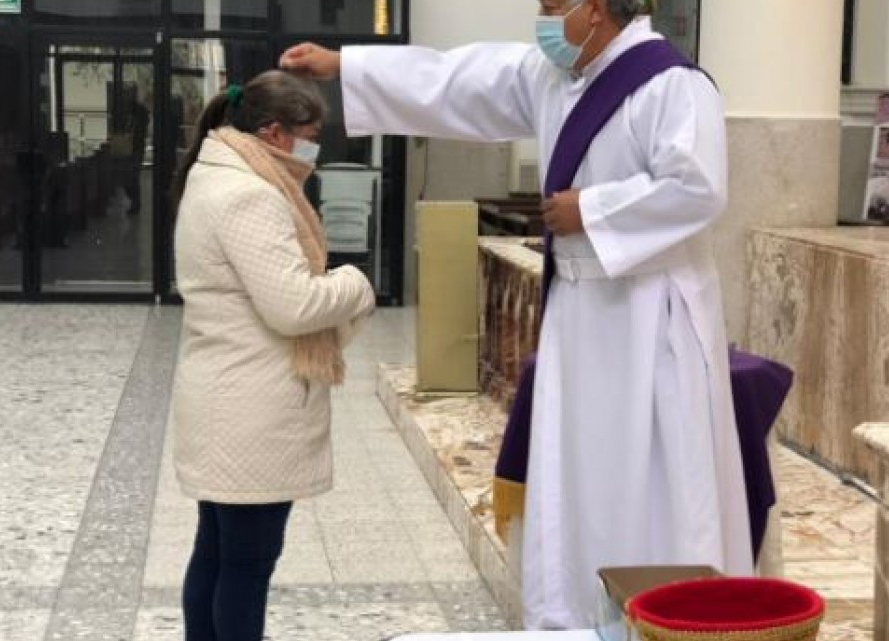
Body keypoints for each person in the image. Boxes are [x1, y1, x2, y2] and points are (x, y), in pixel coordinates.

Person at [282, 0, 753, 630]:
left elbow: (698, 186)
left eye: (554, 5)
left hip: (648, 318)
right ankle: (576, 615)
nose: (543, 17)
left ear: (596, 9)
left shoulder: (671, 83)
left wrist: (594, 208)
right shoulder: (553, 75)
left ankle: (665, 618)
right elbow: (455, 81)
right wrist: (344, 65)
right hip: (581, 311)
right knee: (579, 474)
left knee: (650, 478)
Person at [169, 70, 376, 641]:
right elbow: (293, 305)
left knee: (216, 551)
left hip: (225, 395)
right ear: (274, 133)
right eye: (309, 134)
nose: (314, 147)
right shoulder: (249, 195)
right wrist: (356, 283)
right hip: (249, 411)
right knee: (246, 564)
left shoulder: (220, 174)